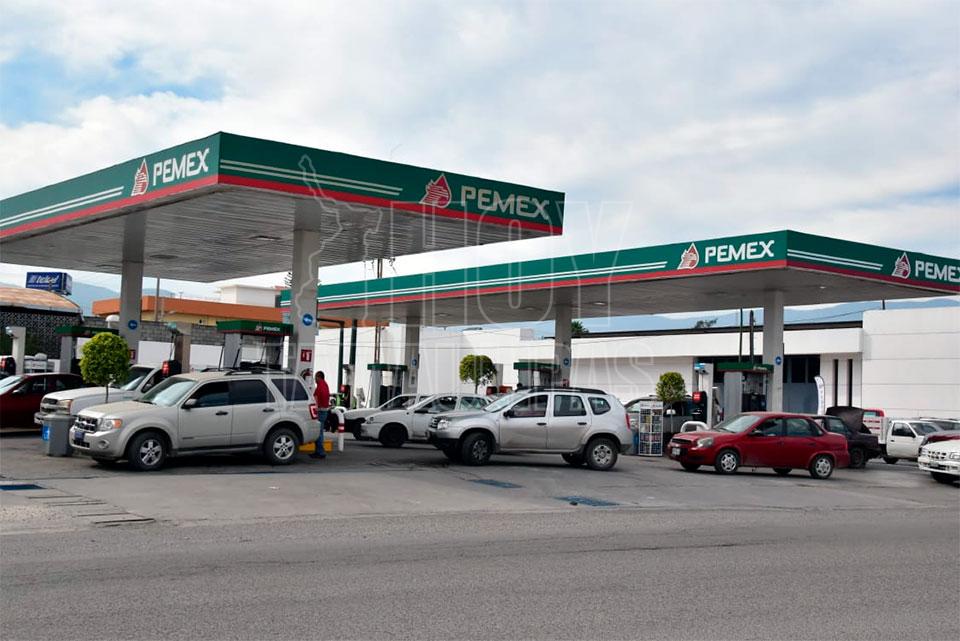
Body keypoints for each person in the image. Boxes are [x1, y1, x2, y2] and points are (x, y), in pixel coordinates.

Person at [311, 371, 330, 459]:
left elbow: (315, 399)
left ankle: (320, 452)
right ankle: (318, 451)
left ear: (319, 377)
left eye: (315, 377)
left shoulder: (319, 387)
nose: (315, 379)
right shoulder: (325, 385)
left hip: (320, 411)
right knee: (320, 432)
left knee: (318, 433)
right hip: (325, 411)